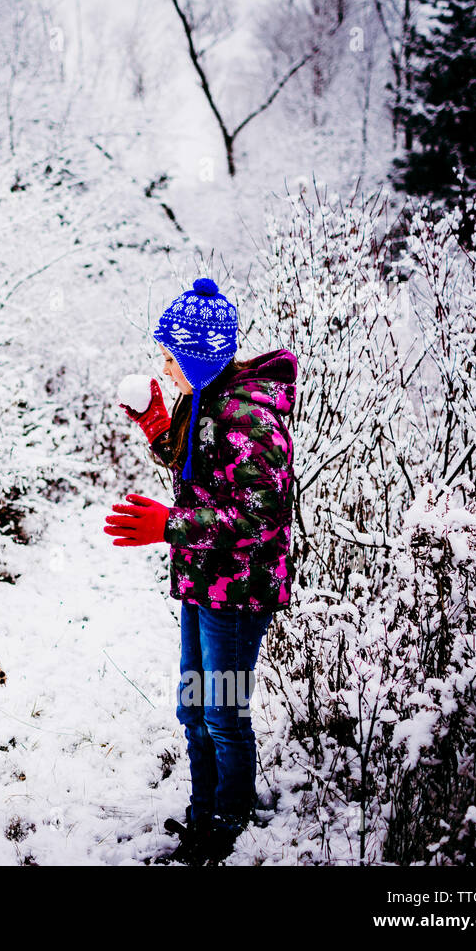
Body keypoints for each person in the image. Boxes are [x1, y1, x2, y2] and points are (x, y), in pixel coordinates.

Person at [103, 277, 298, 865]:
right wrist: (157, 421)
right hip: (201, 579)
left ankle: (230, 824)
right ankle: (203, 810)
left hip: (238, 590)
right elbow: (190, 461)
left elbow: (262, 515)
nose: (163, 369)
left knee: (224, 709)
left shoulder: (250, 416)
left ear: (200, 355)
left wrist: (169, 525)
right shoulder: (202, 398)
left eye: (170, 359)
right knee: (194, 704)